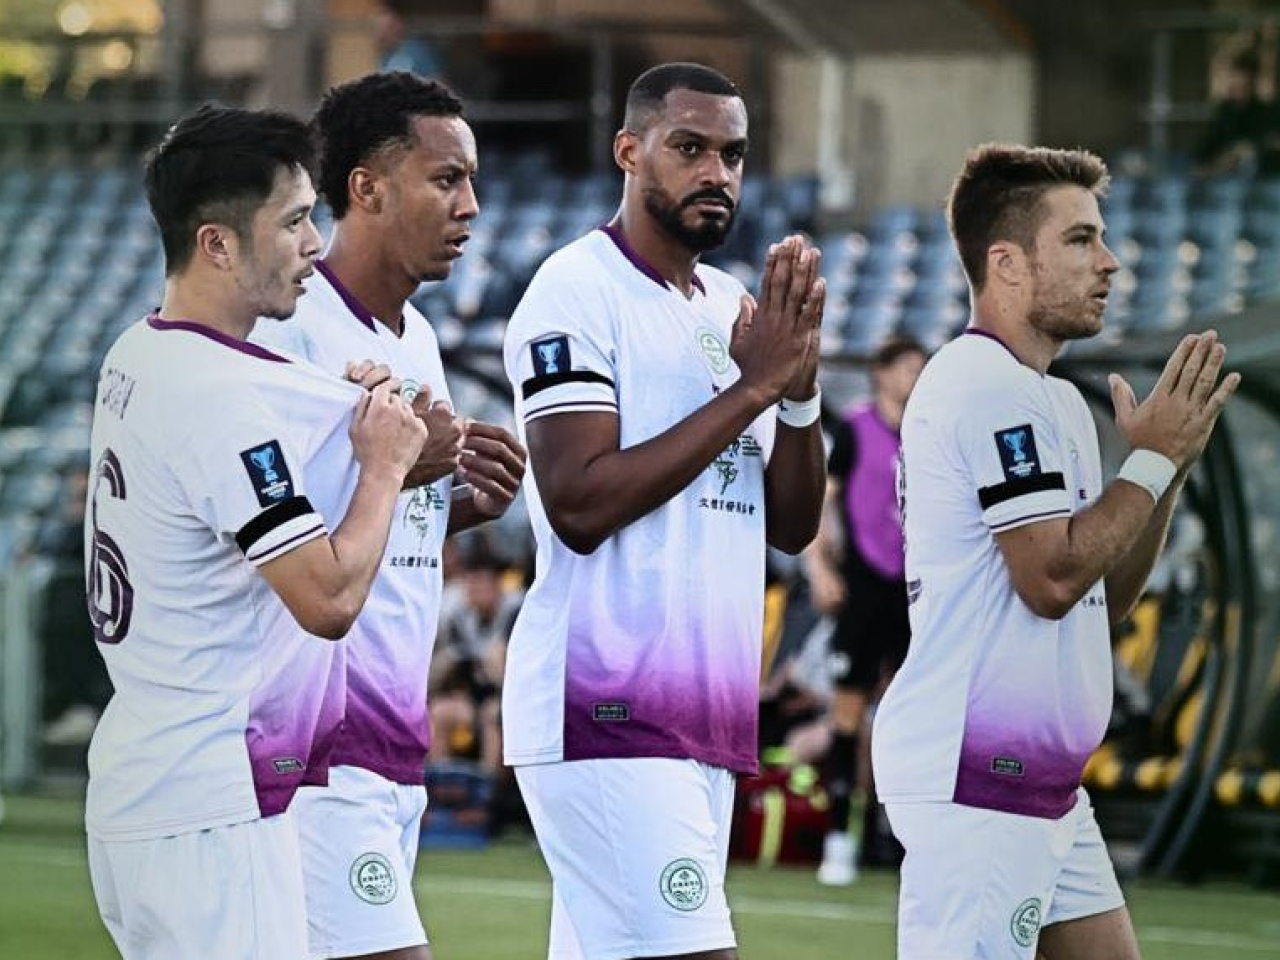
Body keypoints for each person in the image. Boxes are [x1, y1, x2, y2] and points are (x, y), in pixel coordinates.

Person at [871, 144, 1240, 960]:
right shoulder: (983, 384)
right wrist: (1147, 461)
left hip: (1039, 781)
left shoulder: (1054, 402)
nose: (1108, 262)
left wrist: (1164, 469)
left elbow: (1103, 593)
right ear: (1005, 263)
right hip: (978, 775)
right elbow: (1050, 577)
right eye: (1079, 240)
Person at [83, 104, 428, 960]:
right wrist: (383, 466)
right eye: (295, 220)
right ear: (218, 245)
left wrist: (349, 423)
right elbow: (328, 598)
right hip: (213, 808)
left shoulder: (140, 353)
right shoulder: (219, 399)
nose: (317, 244)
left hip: (147, 782)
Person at [501, 61, 827, 960]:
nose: (716, 172)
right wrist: (754, 386)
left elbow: (793, 527)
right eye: (690, 148)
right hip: (607, 712)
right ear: (629, 151)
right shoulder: (576, 291)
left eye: (733, 154)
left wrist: (796, 396)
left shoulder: (731, 306)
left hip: (708, 718)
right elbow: (578, 500)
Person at [250, 71, 526, 960]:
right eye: (446, 179)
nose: (471, 206)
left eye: (472, 181)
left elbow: (381, 522)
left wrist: (455, 506)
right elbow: (264, 537)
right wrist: (408, 471)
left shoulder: (418, 341)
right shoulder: (289, 331)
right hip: (317, 742)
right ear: (365, 187)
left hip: (396, 740)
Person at [803, 334, 926, 886]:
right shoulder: (855, 431)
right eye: (907, 369)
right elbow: (820, 505)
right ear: (881, 373)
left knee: (908, 720)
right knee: (847, 717)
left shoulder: (927, 436)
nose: (915, 379)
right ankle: (838, 838)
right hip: (864, 588)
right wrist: (820, 568)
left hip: (914, 591)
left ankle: (896, 837)